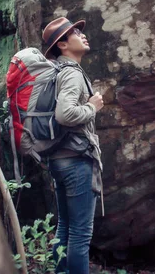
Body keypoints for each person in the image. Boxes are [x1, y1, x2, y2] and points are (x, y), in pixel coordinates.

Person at [41, 17, 104, 274]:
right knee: (80, 234)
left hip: (59, 159)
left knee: (65, 227)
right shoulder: (71, 74)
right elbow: (64, 115)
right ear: (63, 44)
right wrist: (92, 107)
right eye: (76, 32)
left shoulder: (58, 71)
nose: (83, 35)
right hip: (77, 161)